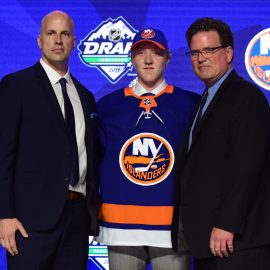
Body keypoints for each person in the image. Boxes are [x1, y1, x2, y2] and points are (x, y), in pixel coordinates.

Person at [0, 10, 99, 270]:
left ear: (74, 42)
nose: (58, 40)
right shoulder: (17, 86)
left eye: (65, 34)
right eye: (51, 33)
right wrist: (5, 214)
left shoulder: (85, 96)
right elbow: (3, 156)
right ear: (39, 41)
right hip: (29, 222)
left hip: (77, 220)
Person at [96, 28, 199, 269]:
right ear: (132, 58)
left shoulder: (190, 104)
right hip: (120, 229)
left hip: (173, 229)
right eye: (141, 53)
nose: (149, 59)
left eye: (156, 53)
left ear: (168, 58)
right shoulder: (107, 106)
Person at [171, 17, 270, 270]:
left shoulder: (246, 98)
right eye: (195, 52)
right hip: (210, 240)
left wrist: (227, 224)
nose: (201, 58)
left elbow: (246, 168)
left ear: (228, 53)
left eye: (209, 50)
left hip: (236, 242)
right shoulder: (206, 100)